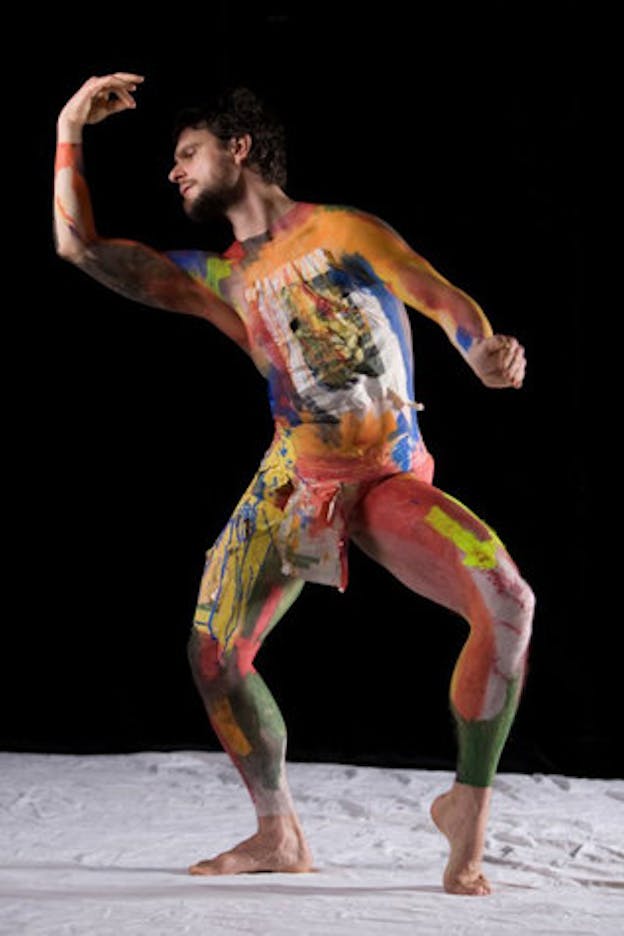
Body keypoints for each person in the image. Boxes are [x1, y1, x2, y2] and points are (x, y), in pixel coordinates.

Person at [54, 72, 535, 897]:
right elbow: (80, 249)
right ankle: (279, 833)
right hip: (292, 481)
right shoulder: (223, 279)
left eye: (188, 153)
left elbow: (435, 294)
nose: (175, 172)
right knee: (214, 652)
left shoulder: (341, 230)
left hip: (383, 477)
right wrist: (69, 127)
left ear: (239, 150)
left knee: (507, 601)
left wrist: (483, 350)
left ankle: (467, 811)